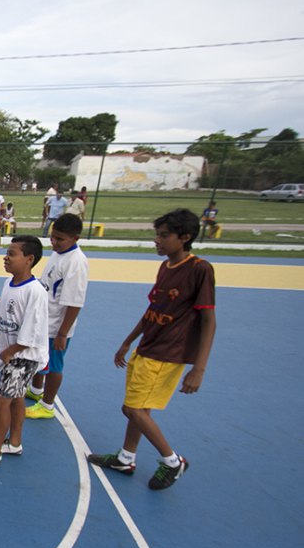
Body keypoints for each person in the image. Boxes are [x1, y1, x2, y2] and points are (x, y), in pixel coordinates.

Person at [87, 209, 216, 491]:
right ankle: (126, 458)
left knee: (133, 409)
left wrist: (199, 368)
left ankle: (172, 461)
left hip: (168, 353)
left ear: (185, 237)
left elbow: (209, 319)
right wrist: (129, 339)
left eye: (164, 236)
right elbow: (153, 309)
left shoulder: (199, 270)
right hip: (147, 347)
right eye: (157, 235)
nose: (157, 241)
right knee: (139, 408)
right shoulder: (165, 267)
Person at [0, 235, 48, 468]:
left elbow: (31, 331)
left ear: (29, 259)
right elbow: (3, 318)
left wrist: (10, 351)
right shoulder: (10, 283)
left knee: (1, 400)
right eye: (6, 253)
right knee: (16, 396)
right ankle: (14, 442)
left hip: (22, 357)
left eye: (12, 254)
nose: (6, 258)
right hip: (10, 352)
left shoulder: (35, 291)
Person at [25, 214, 90, 419]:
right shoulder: (58, 254)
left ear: (75, 238)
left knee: (54, 365)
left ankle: (47, 404)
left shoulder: (76, 262)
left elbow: (74, 302)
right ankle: (36, 391)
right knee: (38, 357)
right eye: (53, 237)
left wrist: (62, 333)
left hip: (56, 326)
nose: (54, 242)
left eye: (60, 239)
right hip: (44, 320)